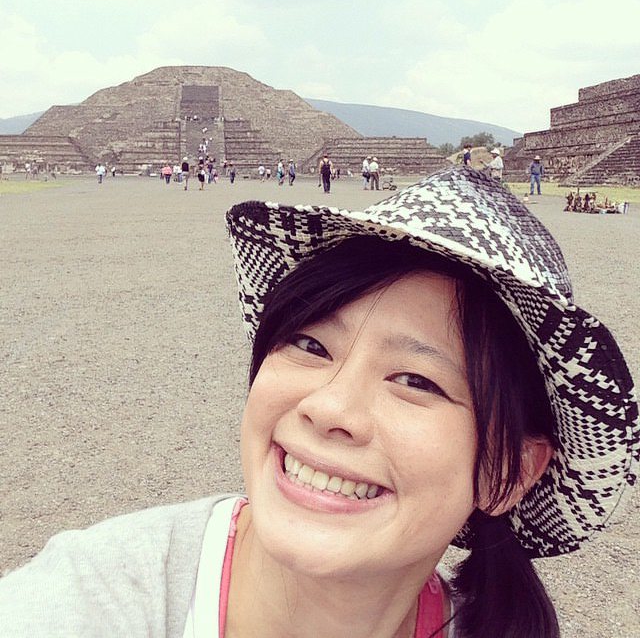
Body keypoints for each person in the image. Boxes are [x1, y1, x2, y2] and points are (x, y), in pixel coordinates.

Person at [0, 166, 637, 638]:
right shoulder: (85, 602)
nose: (329, 409)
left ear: (509, 472)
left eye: (416, 380)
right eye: (310, 344)